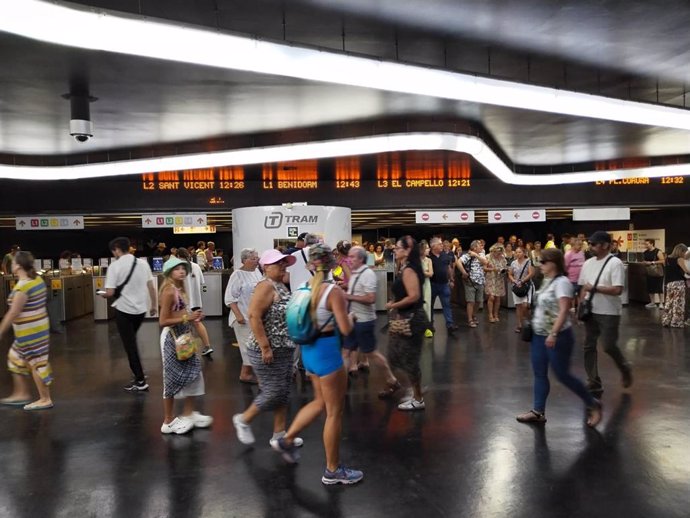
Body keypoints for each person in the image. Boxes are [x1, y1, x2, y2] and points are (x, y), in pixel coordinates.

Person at [271, 244, 362, 486]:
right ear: (333, 264)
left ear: (310, 265)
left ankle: (287, 439)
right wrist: (351, 318)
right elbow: (345, 329)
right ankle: (333, 470)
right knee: (334, 413)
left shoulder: (302, 289)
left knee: (319, 402)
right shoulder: (333, 292)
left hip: (308, 353)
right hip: (327, 353)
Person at [516, 248, 602, 427]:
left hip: (557, 336)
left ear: (553, 263)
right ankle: (538, 411)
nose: (540, 265)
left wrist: (554, 333)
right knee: (539, 373)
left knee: (562, 375)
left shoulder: (562, 282)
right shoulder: (546, 281)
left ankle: (593, 404)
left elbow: (564, 310)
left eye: (543, 262)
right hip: (539, 336)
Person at [233, 249, 306, 451]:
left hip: (284, 348)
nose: (283, 266)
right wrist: (265, 347)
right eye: (278, 264)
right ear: (265, 267)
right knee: (273, 392)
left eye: (284, 263)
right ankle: (243, 419)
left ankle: (279, 435)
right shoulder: (265, 286)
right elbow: (254, 316)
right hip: (267, 349)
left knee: (283, 391)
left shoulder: (280, 285)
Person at [158, 257, 213, 434]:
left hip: (184, 336)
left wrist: (192, 316)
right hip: (172, 338)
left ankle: (189, 413)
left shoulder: (179, 289)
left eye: (183, 268)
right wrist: (186, 318)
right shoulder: (168, 291)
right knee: (172, 378)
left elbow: (182, 313)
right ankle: (168, 420)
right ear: (169, 273)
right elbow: (163, 320)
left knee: (194, 372)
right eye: (177, 269)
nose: (181, 271)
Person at [578, 231, 633, 398]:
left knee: (608, 345)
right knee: (589, 346)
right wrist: (580, 306)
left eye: (594, 244)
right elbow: (583, 287)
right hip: (591, 310)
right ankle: (593, 381)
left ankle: (624, 367)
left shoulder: (615, 263)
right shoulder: (587, 263)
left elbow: (617, 290)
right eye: (590, 244)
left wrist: (594, 288)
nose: (591, 247)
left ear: (604, 245)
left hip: (609, 312)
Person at [101, 237, 156, 392]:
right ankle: (138, 372)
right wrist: (153, 305)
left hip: (124, 311)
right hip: (141, 310)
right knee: (132, 341)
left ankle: (140, 380)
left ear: (117, 249)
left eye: (113, 251)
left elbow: (110, 292)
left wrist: (103, 294)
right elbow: (151, 286)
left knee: (130, 345)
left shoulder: (115, 266)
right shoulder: (143, 263)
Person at [0, 251, 53, 410]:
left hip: (30, 333)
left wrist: (1, 331)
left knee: (36, 363)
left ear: (17, 266)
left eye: (13, 262)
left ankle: (45, 399)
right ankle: (21, 394)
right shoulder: (37, 280)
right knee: (15, 358)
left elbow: (13, 313)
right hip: (37, 329)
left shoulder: (23, 287)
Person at [380, 236, 428, 410]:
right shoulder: (406, 267)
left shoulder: (409, 270)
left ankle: (418, 397)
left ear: (407, 250)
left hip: (412, 319)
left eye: (398, 247)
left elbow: (413, 296)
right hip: (405, 318)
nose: (394, 249)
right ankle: (414, 389)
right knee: (396, 356)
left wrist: (393, 305)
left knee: (409, 359)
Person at [343, 246, 399, 393]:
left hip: (364, 322)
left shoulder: (368, 274)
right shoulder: (355, 273)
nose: (349, 259)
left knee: (371, 353)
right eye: (349, 256)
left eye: (352, 257)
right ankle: (339, 385)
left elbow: (370, 298)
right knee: (346, 351)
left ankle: (391, 379)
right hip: (354, 320)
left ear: (361, 259)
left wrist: (349, 296)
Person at [224, 248, 262, 383]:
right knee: (247, 347)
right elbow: (229, 298)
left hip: (254, 316)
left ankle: (245, 374)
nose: (257, 260)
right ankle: (247, 375)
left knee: (253, 345)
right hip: (242, 318)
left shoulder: (257, 272)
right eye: (253, 258)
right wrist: (238, 315)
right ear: (245, 260)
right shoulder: (237, 275)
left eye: (257, 258)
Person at [177, 248, 213, 355]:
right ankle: (207, 346)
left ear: (178, 255)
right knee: (197, 323)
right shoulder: (196, 266)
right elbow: (202, 282)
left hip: (183, 302)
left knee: (183, 326)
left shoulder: (177, 267)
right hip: (196, 301)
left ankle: (186, 351)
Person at [428, 237, 457, 334]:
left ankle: (450, 325)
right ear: (433, 246)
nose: (442, 245)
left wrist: (451, 279)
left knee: (447, 305)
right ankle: (430, 325)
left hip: (444, 284)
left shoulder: (444, 255)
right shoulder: (428, 257)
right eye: (440, 244)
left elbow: (449, 268)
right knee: (430, 306)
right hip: (432, 284)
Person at [457, 240, 488, 328]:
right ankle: (470, 319)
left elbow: (485, 263)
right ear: (474, 247)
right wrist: (463, 272)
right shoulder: (467, 255)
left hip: (480, 281)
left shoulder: (481, 255)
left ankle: (473, 315)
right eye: (479, 245)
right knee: (471, 301)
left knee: (479, 301)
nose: (481, 247)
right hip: (470, 281)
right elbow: (458, 262)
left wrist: (476, 255)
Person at [661, 244, 690, 328]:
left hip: (669, 283)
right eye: (684, 252)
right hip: (678, 283)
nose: (685, 254)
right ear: (681, 251)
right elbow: (687, 271)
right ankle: (676, 322)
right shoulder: (679, 259)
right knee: (678, 303)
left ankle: (666, 320)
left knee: (668, 303)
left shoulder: (667, 259)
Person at [508, 246, 534, 332]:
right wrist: (514, 281)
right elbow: (510, 274)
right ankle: (519, 324)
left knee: (525, 305)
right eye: (516, 252)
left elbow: (530, 273)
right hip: (516, 286)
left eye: (519, 252)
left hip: (526, 285)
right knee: (518, 306)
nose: (517, 254)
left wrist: (522, 281)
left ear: (524, 253)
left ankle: (527, 320)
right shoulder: (513, 263)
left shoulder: (528, 262)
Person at [484, 244, 507, 324]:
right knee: (491, 297)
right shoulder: (487, 257)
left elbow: (505, 267)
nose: (498, 254)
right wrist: (493, 269)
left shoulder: (502, 257)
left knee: (498, 298)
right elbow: (484, 268)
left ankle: (496, 314)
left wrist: (503, 270)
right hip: (491, 278)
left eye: (500, 253)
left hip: (499, 279)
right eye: (496, 252)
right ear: (493, 251)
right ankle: (490, 315)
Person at [564, 238, 586, 313]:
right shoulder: (568, 254)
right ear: (574, 245)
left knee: (580, 295)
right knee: (572, 296)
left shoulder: (582, 253)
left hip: (581, 279)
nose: (580, 247)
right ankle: (573, 309)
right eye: (579, 245)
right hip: (571, 279)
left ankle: (580, 309)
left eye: (581, 245)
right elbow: (565, 266)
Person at [643, 238, 665, 309]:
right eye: (645, 244)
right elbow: (645, 260)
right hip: (649, 272)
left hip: (658, 272)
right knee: (650, 287)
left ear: (652, 244)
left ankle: (661, 303)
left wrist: (652, 262)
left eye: (647, 244)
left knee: (659, 288)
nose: (645, 245)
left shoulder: (658, 251)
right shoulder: (645, 252)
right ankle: (652, 302)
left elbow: (662, 261)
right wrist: (645, 262)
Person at [420, 241, 434, 337]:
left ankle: (426, 328)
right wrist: (425, 272)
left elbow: (431, 273)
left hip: (427, 284)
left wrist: (423, 272)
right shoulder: (416, 260)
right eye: (427, 248)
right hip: (418, 285)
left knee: (427, 304)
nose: (429, 249)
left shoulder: (429, 260)